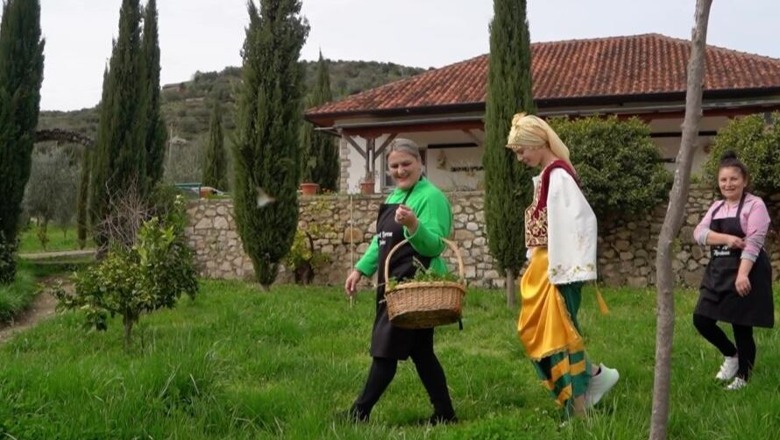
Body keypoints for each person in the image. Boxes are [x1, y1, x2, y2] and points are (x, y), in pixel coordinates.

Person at [505, 113, 619, 418]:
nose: (520, 157)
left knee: (561, 337)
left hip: (557, 269)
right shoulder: (549, 175)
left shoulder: (558, 176)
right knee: (550, 333)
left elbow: (579, 222)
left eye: (522, 150)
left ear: (538, 142)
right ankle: (595, 376)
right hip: (546, 267)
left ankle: (579, 408)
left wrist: (561, 267)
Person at [342, 138, 457, 424]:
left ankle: (359, 413)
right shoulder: (393, 198)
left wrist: (414, 225)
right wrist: (360, 270)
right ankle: (445, 413)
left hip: (413, 287)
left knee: (385, 350)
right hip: (390, 286)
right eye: (393, 166)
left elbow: (434, 246)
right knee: (422, 353)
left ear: (420, 163)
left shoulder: (431, 198)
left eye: (406, 164)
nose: (400, 170)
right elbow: (379, 243)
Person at [693, 150, 774, 391]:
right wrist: (726, 238)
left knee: (741, 324)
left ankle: (743, 377)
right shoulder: (717, 207)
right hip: (719, 271)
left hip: (747, 270)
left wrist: (742, 274)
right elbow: (698, 234)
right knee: (702, 319)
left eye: (733, 179)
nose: (728, 184)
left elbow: (755, 242)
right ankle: (731, 355)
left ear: (744, 180)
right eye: (723, 180)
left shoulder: (755, 205)